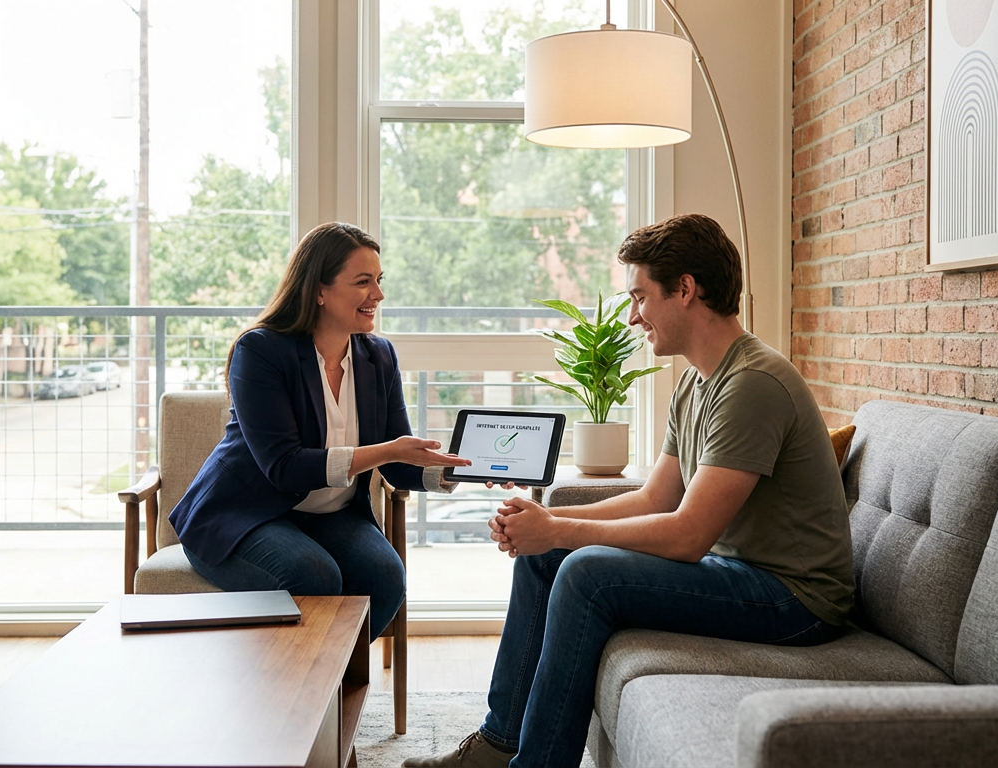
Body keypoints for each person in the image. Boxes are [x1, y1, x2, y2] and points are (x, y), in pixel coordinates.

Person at [404, 214, 855, 768]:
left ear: (685, 289)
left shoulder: (752, 384)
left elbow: (688, 535)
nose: (635, 315)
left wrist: (559, 531)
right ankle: (499, 745)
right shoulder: (696, 379)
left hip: (795, 598)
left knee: (584, 572)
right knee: (546, 561)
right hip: (741, 571)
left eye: (640, 297)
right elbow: (654, 499)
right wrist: (545, 525)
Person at [169, 222, 470, 641]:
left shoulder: (378, 356)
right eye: (363, 282)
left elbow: (398, 464)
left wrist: (458, 469)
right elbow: (285, 468)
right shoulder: (260, 351)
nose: (378, 295)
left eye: (379, 281)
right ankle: (297, 694)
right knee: (313, 574)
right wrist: (386, 451)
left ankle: (335, 693)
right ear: (319, 290)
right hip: (243, 514)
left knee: (384, 576)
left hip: (330, 515)